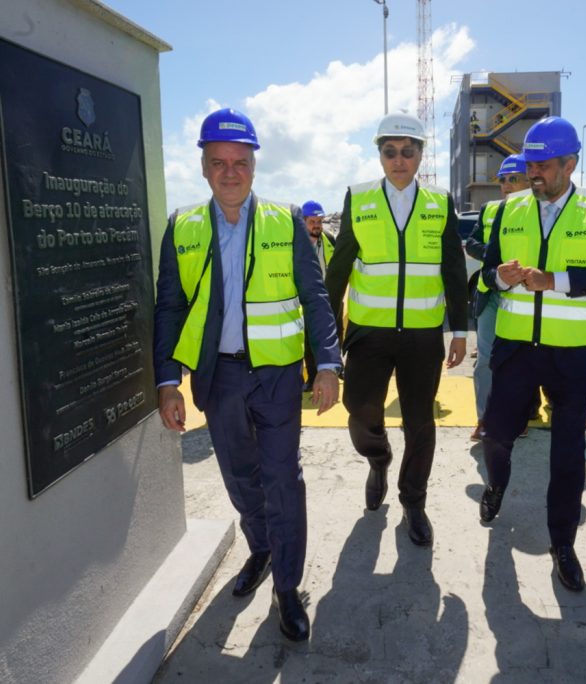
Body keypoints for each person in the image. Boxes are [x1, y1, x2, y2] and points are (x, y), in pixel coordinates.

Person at [153, 108, 341, 642]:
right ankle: (261, 547)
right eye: (219, 162)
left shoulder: (285, 221)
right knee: (240, 477)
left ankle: (287, 586)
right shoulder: (183, 227)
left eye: (240, 162)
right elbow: (169, 307)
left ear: (254, 166)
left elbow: (315, 297)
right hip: (219, 377)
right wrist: (168, 381)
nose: (230, 172)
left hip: (277, 377)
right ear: (204, 167)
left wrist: (327, 365)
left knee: (283, 478)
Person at [477, 116, 586, 592]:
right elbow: (486, 274)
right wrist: (500, 276)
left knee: (567, 456)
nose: (534, 174)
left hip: (573, 355)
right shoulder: (510, 208)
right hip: (516, 350)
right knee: (497, 434)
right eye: (530, 165)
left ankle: (563, 544)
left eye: (543, 166)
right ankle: (496, 483)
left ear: (570, 164)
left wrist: (556, 281)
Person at [325, 112, 468, 547]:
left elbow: (453, 268)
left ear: (420, 155)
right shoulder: (360, 198)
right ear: (380, 155)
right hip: (369, 333)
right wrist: (327, 339)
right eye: (390, 152)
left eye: (408, 152)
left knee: (420, 423)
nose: (399, 160)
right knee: (360, 410)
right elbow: (338, 269)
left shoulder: (439, 203)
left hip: (423, 336)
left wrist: (459, 330)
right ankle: (379, 459)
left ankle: (414, 502)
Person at [466, 154, 530, 441]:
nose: (506, 185)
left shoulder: (541, 213)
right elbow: (472, 243)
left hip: (524, 297)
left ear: (530, 180)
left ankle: (519, 417)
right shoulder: (490, 209)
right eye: (503, 180)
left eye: (513, 179)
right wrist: (496, 256)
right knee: (485, 360)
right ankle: (484, 418)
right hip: (490, 294)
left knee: (521, 362)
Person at [301, 200, 337, 389]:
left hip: (328, 297)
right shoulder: (295, 242)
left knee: (334, 333)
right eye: (312, 222)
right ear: (303, 221)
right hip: (305, 299)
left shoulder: (329, 239)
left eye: (319, 221)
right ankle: (312, 377)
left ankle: (336, 370)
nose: (317, 225)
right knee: (308, 339)